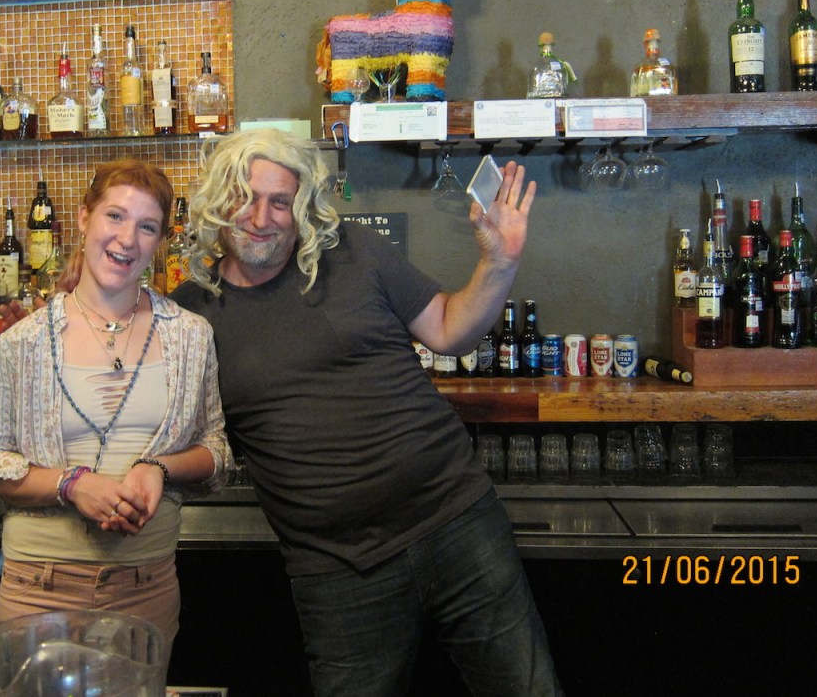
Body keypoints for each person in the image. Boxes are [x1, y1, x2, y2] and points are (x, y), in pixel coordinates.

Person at [169, 128, 562, 696]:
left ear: (301, 206)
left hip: (457, 520)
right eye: (244, 197)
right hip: (338, 568)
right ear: (216, 200)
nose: (260, 217)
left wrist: (499, 262)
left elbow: (449, 330)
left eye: (280, 201)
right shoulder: (190, 316)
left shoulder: (353, 251)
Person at [0, 158, 231, 670]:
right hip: (38, 586)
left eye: (147, 226)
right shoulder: (23, 342)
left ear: (160, 241)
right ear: (85, 218)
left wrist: (158, 468)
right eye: (115, 216)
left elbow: (216, 452)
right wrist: (72, 485)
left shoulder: (191, 336)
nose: (127, 239)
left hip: (146, 584)